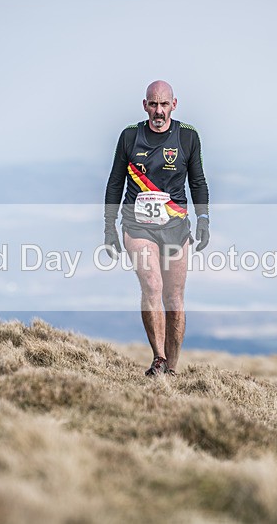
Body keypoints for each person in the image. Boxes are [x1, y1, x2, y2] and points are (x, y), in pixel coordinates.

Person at [104, 80, 210, 377]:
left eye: (164, 104)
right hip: (137, 225)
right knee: (152, 285)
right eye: (153, 104)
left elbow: (198, 181)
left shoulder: (188, 136)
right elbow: (115, 182)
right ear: (145, 106)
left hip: (175, 226)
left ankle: (171, 369)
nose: (159, 111)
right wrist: (109, 228)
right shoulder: (130, 136)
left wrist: (203, 219)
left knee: (174, 299)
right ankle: (159, 359)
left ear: (174, 105)